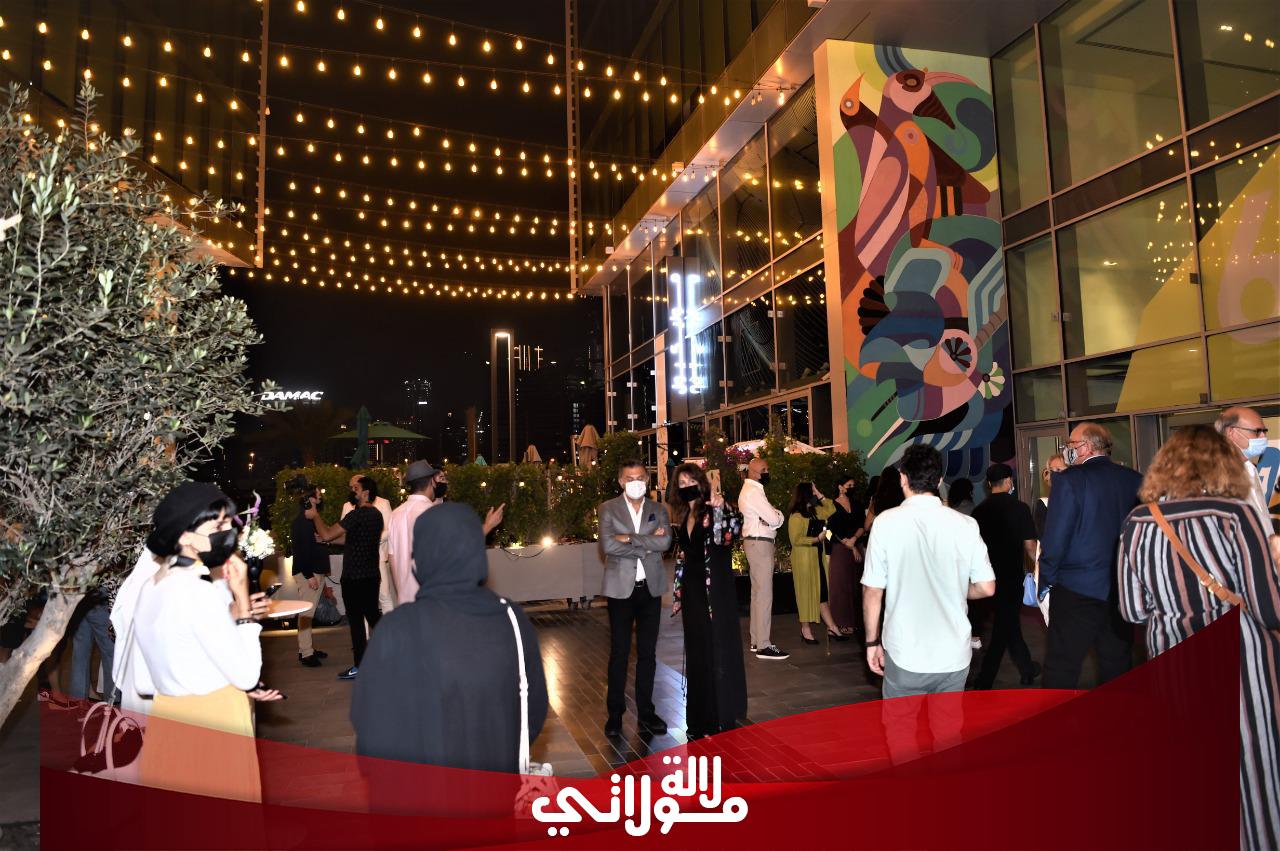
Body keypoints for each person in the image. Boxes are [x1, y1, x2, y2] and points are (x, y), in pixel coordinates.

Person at [1117, 425, 1280, 850]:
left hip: (1171, 665)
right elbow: (1269, 608)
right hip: (1240, 664)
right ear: (1224, 465)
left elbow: (1132, 611)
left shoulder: (1138, 521)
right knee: (1252, 772)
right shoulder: (1235, 515)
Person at [351, 503, 548, 772]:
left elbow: (369, 720)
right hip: (495, 787)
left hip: (417, 791)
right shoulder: (512, 621)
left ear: (421, 559)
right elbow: (533, 709)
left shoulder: (395, 629)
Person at [132, 482, 266, 803]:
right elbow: (247, 676)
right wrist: (243, 602)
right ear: (185, 536)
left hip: (168, 725)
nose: (228, 533)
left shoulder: (149, 588)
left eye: (228, 524)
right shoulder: (196, 593)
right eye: (217, 527)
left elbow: (143, 681)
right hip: (215, 725)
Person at [862, 444, 995, 697]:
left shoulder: (885, 523)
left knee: (901, 722)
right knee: (948, 722)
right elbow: (987, 587)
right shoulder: (966, 524)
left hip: (905, 651)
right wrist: (957, 588)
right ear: (940, 480)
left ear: (903, 478)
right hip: (954, 653)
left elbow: (872, 590)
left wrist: (872, 642)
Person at [1039, 422, 1143, 689]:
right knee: (1117, 664)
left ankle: (1057, 716)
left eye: (1070, 445)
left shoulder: (1069, 480)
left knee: (1062, 667)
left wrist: (1046, 579)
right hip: (1120, 589)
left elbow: (1056, 537)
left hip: (1075, 589)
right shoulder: (1134, 479)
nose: (1067, 450)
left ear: (1085, 447)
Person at [668, 462, 747, 739]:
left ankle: (718, 718)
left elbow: (729, 534)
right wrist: (679, 593)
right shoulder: (684, 515)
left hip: (713, 594)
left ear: (701, 483)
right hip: (692, 595)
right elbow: (684, 556)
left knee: (716, 652)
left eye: (692, 481)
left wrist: (721, 507)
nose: (687, 486)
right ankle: (697, 720)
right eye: (682, 483)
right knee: (697, 655)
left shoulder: (713, 511)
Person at [597, 460, 672, 736]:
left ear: (647, 479)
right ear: (621, 481)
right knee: (619, 653)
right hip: (620, 590)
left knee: (648, 654)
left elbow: (665, 542)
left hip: (650, 589)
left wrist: (627, 538)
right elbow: (608, 545)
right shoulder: (608, 508)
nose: (636, 482)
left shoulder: (658, 509)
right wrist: (645, 544)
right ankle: (615, 714)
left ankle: (646, 713)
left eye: (640, 477)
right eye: (630, 478)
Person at [388, 461, 504, 606]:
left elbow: (392, 558)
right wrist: (488, 525)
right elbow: (460, 546)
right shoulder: (434, 513)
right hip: (433, 601)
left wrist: (401, 593)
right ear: (432, 482)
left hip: (406, 602)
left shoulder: (395, 514)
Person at [971, 463, 1041, 689]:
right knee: (1003, 629)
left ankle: (1027, 669)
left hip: (985, 579)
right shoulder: (1020, 508)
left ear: (989, 484)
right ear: (1009, 481)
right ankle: (984, 680)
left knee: (1009, 625)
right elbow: (1030, 546)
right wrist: (1040, 568)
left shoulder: (978, 512)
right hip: (1011, 578)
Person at [311, 475, 385, 680]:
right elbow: (351, 539)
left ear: (366, 493)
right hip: (371, 576)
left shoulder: (355, 515)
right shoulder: (376, 515)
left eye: (356, 488)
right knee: (374, 617)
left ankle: (360, 665)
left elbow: (327, 534)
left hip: (353, 577)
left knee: (356, 623)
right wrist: (327, 540)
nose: (352, 491)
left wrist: (315, 515)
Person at [737, 458, 789, 661]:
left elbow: (771, 518)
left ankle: (757, 640)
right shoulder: (753, 492)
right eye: (764, 470)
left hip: (755, 543)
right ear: (753, 472)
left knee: (758, 594)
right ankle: (764, 645)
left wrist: (772, 517)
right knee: (764, 595)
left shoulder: (751, 490)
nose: (767, 472)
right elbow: (775, 519)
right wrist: (777, 515)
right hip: (760, 543)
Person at [787, 483, 846, 645]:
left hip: (816, 557)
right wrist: (816, 539)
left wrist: (820, 494)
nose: (815, 495)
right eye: (812, 492)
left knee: (822, 593)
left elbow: (831, 509)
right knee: (805, 594)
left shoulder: (814, 512)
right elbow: (796, 540)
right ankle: (805, 629)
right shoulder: (796, 516)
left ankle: (832, 627)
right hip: (804, 560)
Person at [285, 476, 331, 667]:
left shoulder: (309, 520)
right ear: (310, 498)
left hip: (314, 572)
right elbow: (301, 551)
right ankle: (306, 653)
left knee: (308, 614)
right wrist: (309, 576)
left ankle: (306, 649)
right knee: (307, 614)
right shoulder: (303, 521)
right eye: (318, 493)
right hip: (308, 573)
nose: (321, 495)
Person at [341, 472, 396, 614]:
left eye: (355, 487)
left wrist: (371, 539)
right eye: (351, 487)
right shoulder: (347, 506)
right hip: (354, 561)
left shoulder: (383, 503)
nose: (352, 491)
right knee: (359, 600)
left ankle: (389, 627)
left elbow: (390, 529)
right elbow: (343, 532)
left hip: (377, 556)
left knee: (384, 595)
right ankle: (364, 629)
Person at [1215, 406, 1274, 531]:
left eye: (1264, 431)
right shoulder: (1214, 476)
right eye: (1257, 432)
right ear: (1231, 433)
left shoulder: (1251, 470)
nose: (1263, 437)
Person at [824, 475, 867, 637]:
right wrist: (847, 543)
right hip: (839, 549)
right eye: (849, 485)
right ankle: (841, 622)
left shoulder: (857, 504)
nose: (851, 488)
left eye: (853, 485)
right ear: (840, 487)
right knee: (841, 586)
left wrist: (854, 540)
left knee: (857, 585)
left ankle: (858, 622)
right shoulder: (831, 505)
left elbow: (863, 525)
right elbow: (829, 530)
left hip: (857, 545)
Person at [67, 593, 114, 701]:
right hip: (100, 598)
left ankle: (77, 704)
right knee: (111, 656)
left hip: (78, 597)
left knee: (79, 656)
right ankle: (113, 702)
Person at [1032, 453, 1069, 538]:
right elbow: (1044, 537)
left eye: (1059, 470)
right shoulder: (1044, 504)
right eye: (1051, 471)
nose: (1053, 475)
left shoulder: (1082, 499)